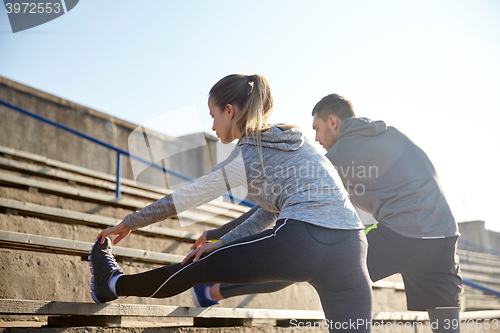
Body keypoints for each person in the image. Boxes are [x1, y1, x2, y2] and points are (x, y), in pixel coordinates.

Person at [89, 75, 373, 332]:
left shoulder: (246, 156)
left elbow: (186, 197)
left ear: (229, 111)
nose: (212, 125)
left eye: (213, 115)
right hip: (351, 247)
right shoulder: (297, 142)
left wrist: (129, 222)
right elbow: (268, 212)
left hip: (302, 241)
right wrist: (224, 241)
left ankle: (111, 284)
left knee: (196, 265)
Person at [191, 94, 462, 333]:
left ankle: (211, 291)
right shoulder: (389, 134)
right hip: (445, 238)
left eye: (317, 129)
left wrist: (220, 234)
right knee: (446, 324)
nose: (317, 140)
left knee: (303, 260)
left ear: (333, 122)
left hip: (402, 233)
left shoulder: (344, 151)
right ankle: (215, 291)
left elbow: (275, 206)